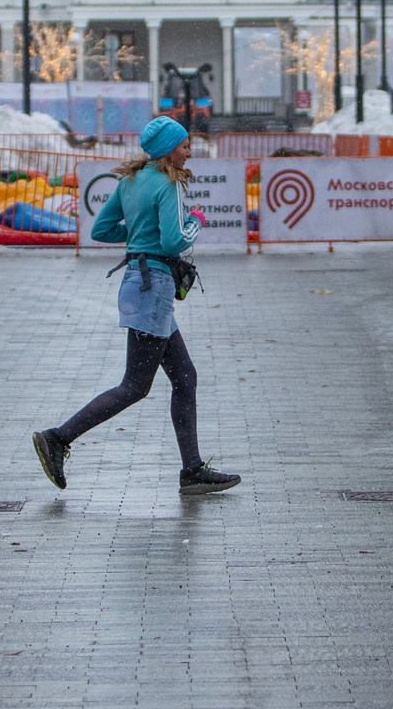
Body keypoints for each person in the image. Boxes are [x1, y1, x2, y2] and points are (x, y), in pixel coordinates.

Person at [32, 116, 242, 495]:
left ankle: (192, 469)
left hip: (137, 282)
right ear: (167, 151)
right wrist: (196, 221)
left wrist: (140, 233)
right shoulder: (169, 183)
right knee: (134, 385)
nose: (189, 152)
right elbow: (177, 240)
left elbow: (101, 230)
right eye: (183, 146)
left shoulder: (130, 180)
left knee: (185, 378)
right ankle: (58, 438)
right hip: (154, 287)